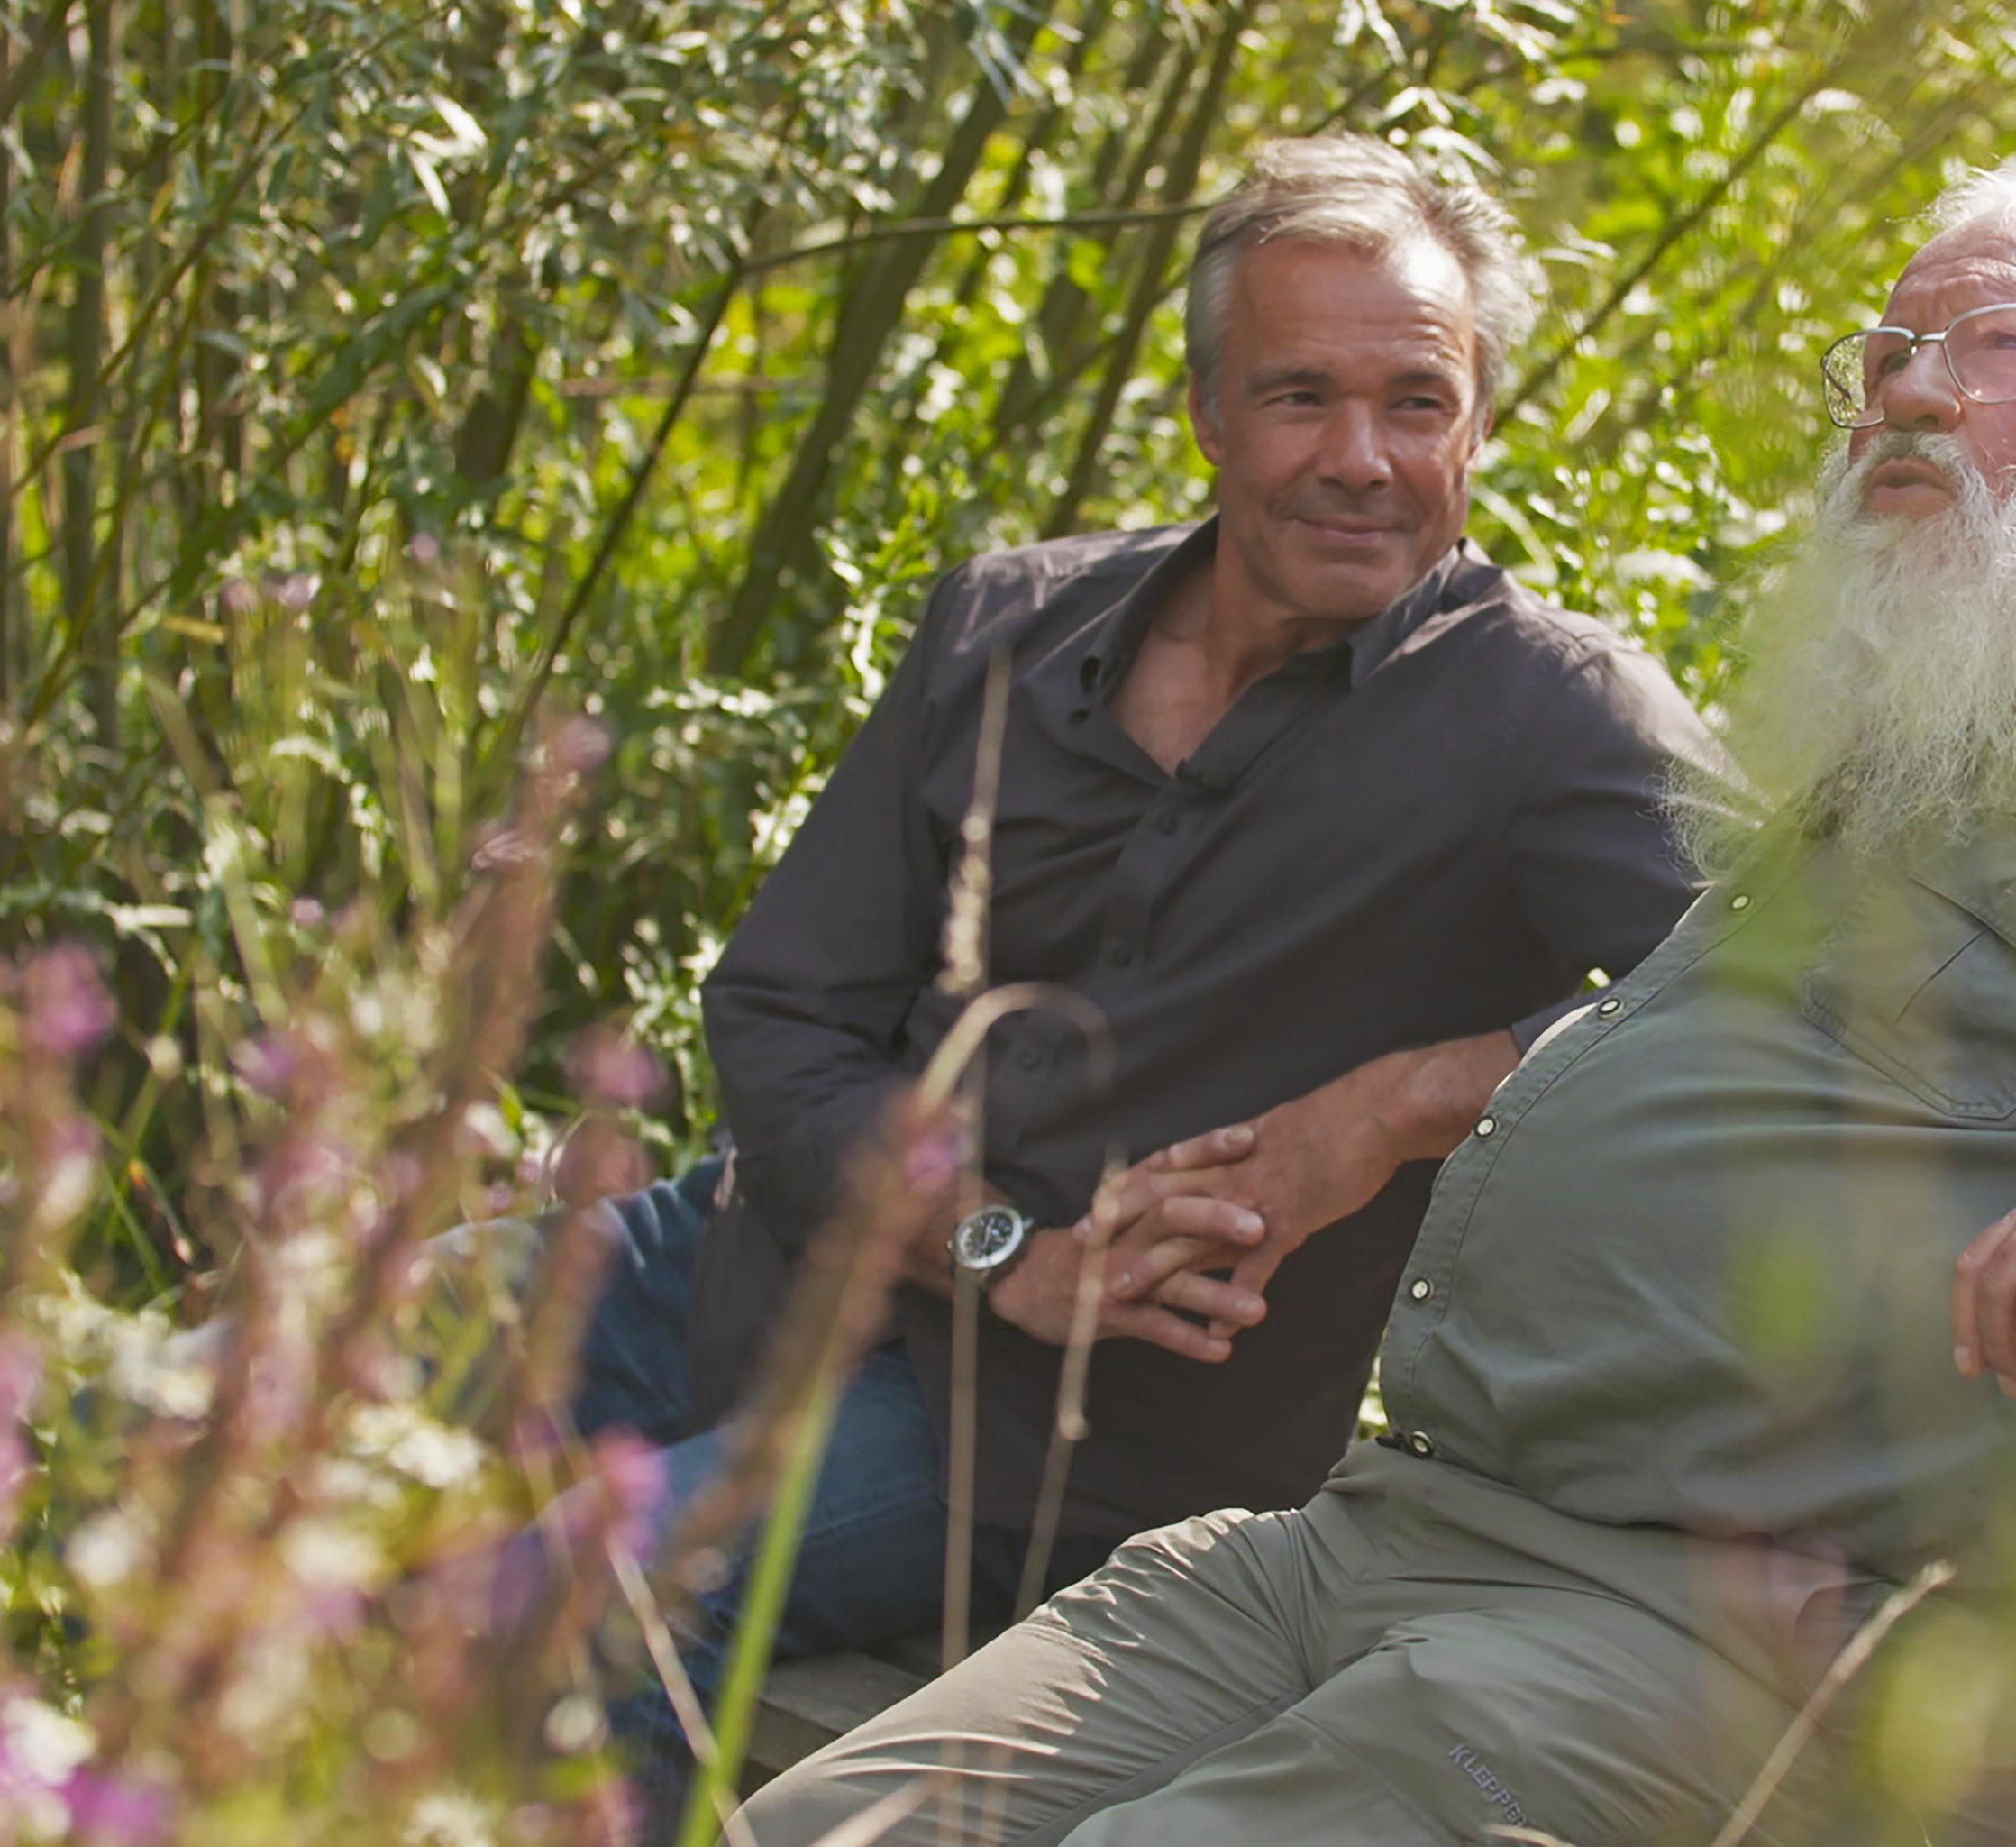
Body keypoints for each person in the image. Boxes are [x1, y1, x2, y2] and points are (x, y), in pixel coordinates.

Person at [732, 168, 2016, 1847]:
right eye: (1885, 351)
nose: (1900, 394)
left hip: (1748, 1653)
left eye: (1990, 346)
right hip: (1377, 1544)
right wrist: (1394, 1107)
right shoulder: (1929, 745)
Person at [558, 134, 1721, 1818]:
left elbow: (1771, 981)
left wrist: (1403, 1104)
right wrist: (996, 1248)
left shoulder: (1552, 720)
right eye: (1299, 396)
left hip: (1074, 1437)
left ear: (1480, 424)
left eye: (1417, 402)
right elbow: (778, 1011)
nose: (1361, 460)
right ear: (1203, 414)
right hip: (768, 1246)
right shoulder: (1007, 626)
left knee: (585, 1597)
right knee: (300, 1387)